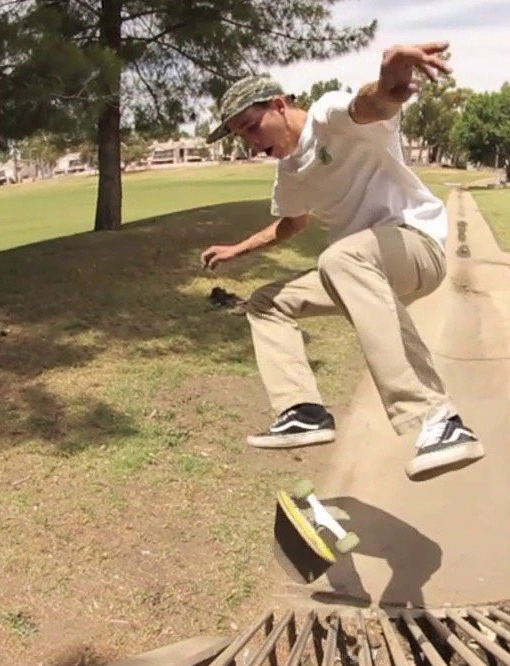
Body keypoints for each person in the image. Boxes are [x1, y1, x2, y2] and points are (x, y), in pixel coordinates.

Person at [201, 42, 484, 480]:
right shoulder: (290, 173)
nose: (253, 144)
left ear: (279, 105)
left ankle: (438, 419)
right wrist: (238, 249)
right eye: (242, 136)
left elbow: (368, 105)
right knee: (267, 303)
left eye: (253, 127)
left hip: (416, 247)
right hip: (358, 270)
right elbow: (291, 224)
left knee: (339, 258)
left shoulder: (327, 116)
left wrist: (389, 85)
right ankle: (303, 411)